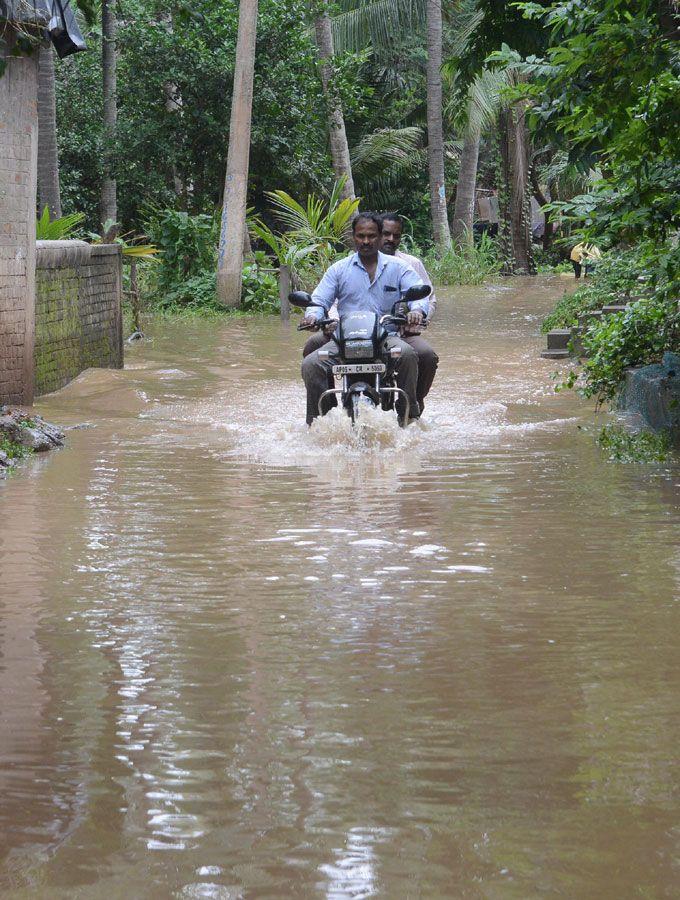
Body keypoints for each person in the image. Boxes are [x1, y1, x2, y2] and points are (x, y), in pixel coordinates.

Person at [300, 212, 428, 426]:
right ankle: (318, 421)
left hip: (384, 338)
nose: (366, 241)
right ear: (353, 237)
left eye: (371, 236)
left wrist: (417, 311)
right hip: (344, 340)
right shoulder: (338, 269)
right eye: (361, 236)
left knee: (407, 354)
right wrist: (312, 316)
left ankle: (409, 413)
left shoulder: (398, 268)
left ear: (379, 237)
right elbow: (319, 299)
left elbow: (418, 294)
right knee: (311, 364)